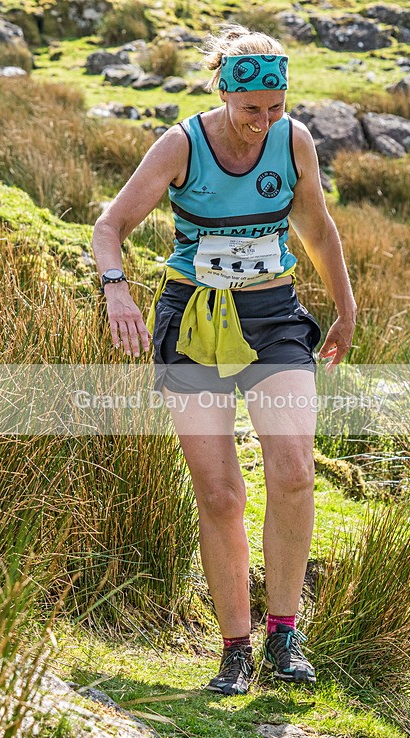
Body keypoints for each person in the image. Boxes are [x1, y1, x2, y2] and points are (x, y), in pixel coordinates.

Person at [92, 25, 356, 696]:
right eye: (250, 111)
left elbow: (317, 227)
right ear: (223, 93)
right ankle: (233, 649)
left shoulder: (293, 140)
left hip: (272, 320)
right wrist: (117, 292)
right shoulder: (181, 144)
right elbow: (109, 226)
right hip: (194, 322)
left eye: (273, 108)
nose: (260, 123)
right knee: (218, 493)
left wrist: (345, 306)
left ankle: (283, 637)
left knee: (294, 469)